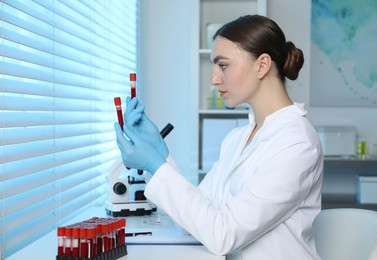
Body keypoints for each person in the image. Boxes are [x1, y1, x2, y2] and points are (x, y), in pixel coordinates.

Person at [115, 14, 323, 260]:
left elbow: (222, 235)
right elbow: (196, 220)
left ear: (262, 65)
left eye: (223, 65)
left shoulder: (297, 144)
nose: (214, 78)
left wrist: (155, 165)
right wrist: (161, 156)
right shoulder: (237, 138)